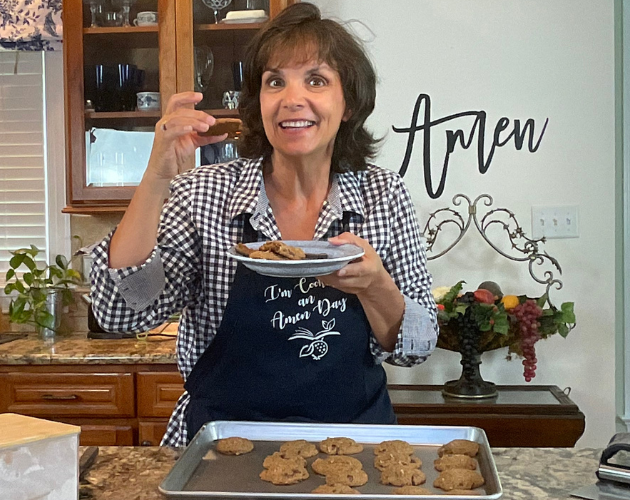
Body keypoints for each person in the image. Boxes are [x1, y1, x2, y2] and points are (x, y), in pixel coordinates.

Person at [89, 2, 438, 447]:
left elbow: (416, 347)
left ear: (347, 103)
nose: (292, 98)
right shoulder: (203, 194)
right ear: (258, 101)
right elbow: (124, 312)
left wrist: (375, 286)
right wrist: (156, 177)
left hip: (351, 445)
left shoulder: (382, 196)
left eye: (316, 79)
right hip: (221, 444)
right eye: (275, 81)